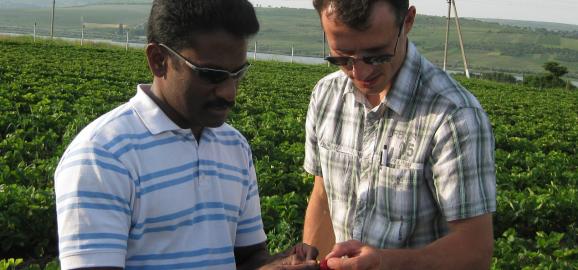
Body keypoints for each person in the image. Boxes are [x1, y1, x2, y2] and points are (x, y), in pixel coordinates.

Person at [54, 0, 319, 269]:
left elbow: (247, 258)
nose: (230, 93)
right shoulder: (102, 156)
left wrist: (281, 264)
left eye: (237, 74)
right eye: (211, 74)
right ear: (159, 61)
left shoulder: (234, 145)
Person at [302, 0, 496, 269]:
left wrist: (384, 262)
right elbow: (323, 199)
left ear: (407, 21)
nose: (361, 72)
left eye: (377, 55)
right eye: (343, 57)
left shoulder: (453, 115)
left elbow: (474, 250)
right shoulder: (326, 96)